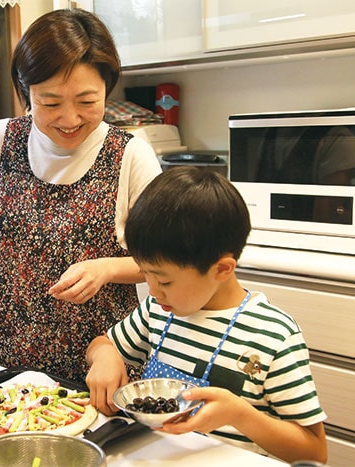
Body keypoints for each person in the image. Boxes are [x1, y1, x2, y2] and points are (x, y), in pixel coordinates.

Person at [0, 8, 162, 384]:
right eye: (50, 103)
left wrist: (105, 268)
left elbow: (164, 262)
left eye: (87, 101)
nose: (70, 118)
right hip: (4, 356)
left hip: (100, 364)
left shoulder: (130, 155)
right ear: (26, 92)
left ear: (108, 87)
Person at [85, 168, 328, 463]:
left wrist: (239, 414)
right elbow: (103, 343)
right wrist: (105, 357)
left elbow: (315, 451)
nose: (153, 291)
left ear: (222, 269)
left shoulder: (273, 336)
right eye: (146, 275)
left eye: (164, 281)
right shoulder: (158, 312)